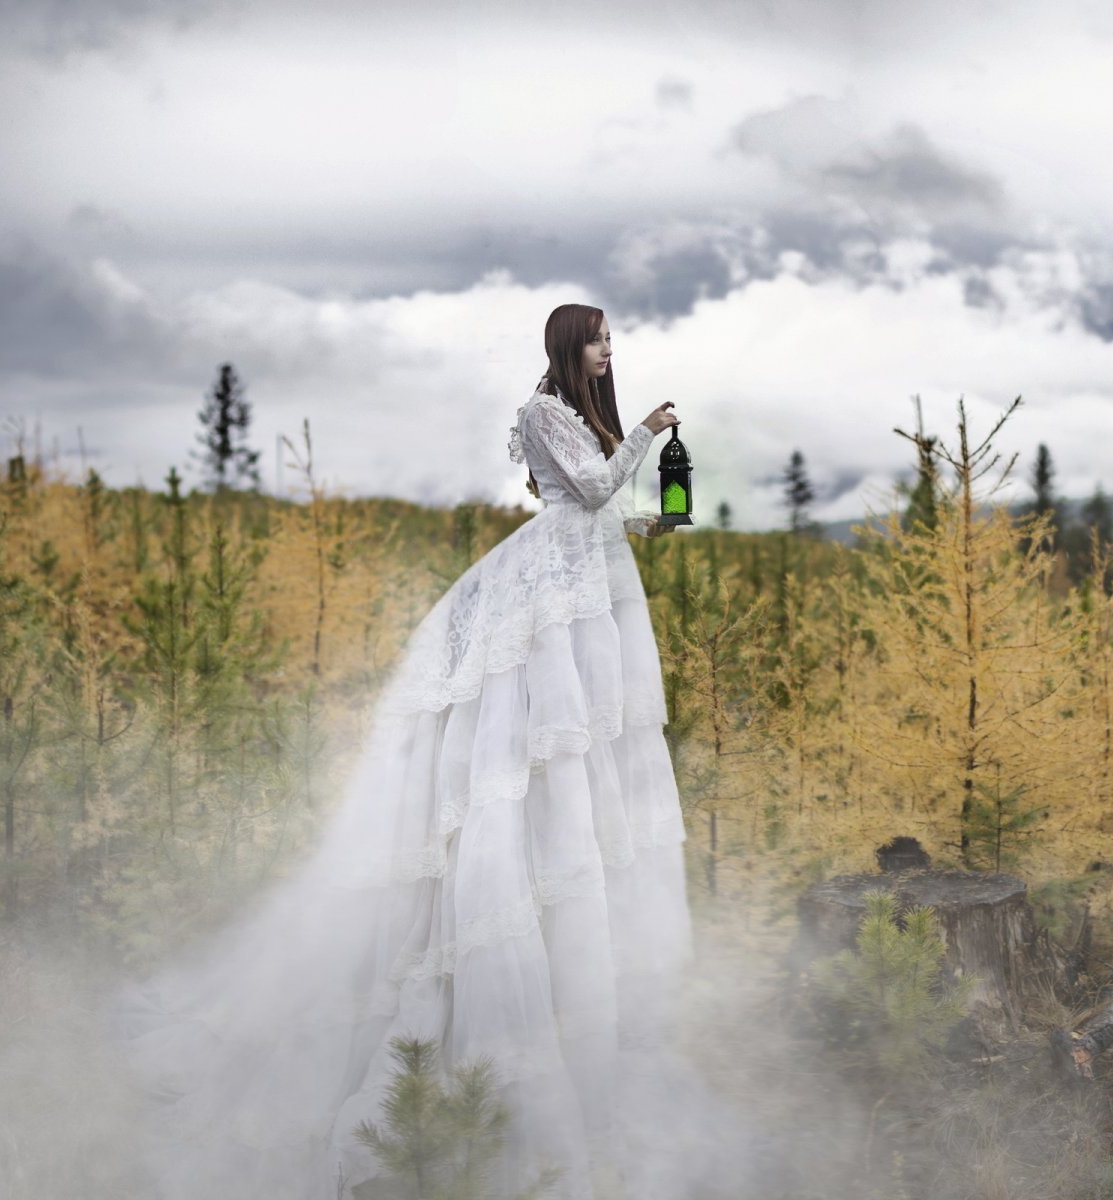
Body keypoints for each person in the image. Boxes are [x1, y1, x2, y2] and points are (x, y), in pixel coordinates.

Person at [108, 303, 701, 1198]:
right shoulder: (544, 409)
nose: (610, 349)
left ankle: (575, 980)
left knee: (581, 758)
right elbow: (580, 494)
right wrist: (650, 439)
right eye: (600, 337)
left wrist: (658, 516)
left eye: (612, 338)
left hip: (594, 591)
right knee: (529, 752)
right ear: (568, 343)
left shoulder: (587, 417)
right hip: (547, 594)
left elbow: (608, 512)